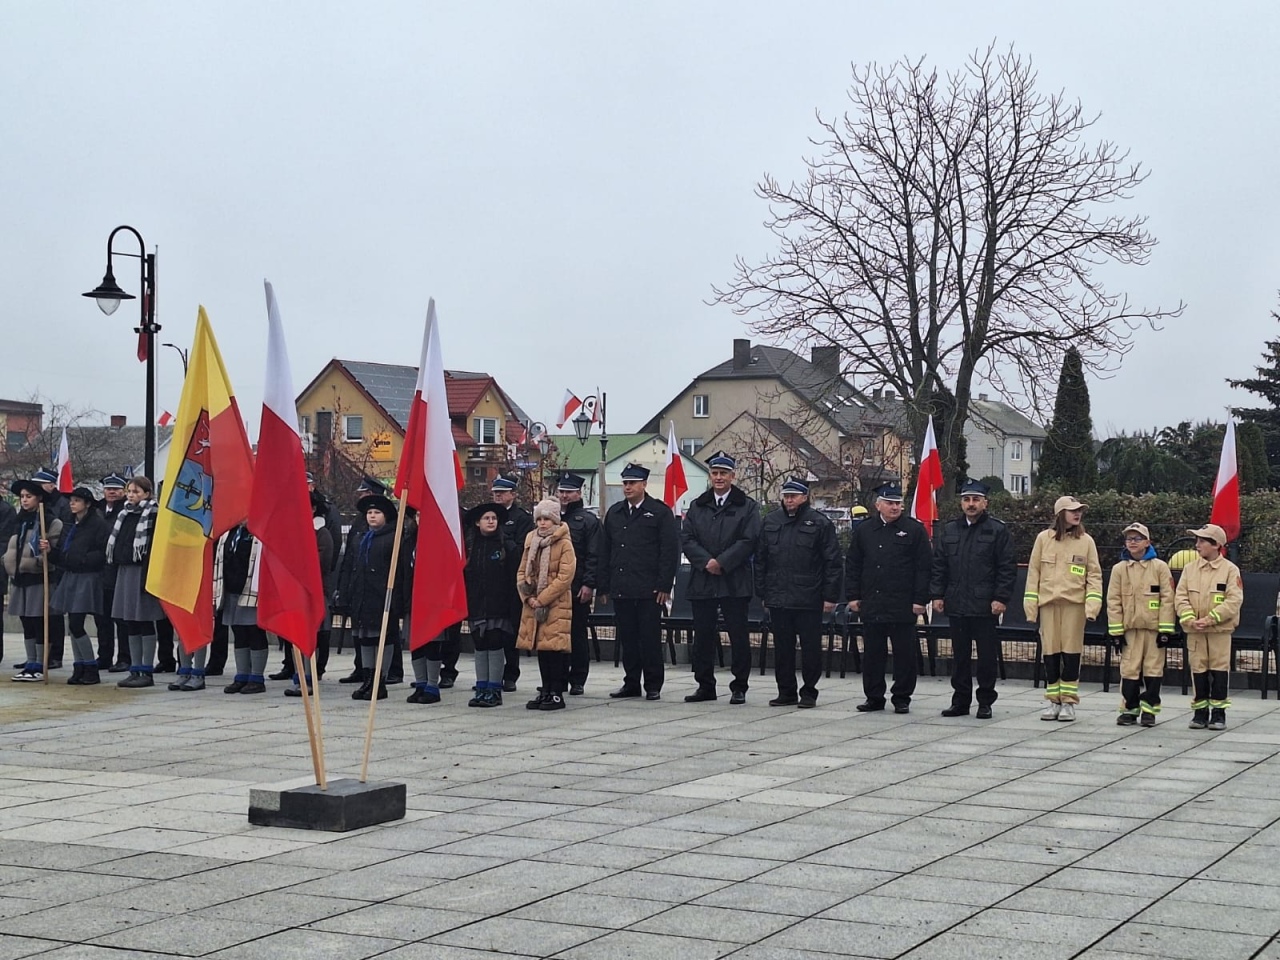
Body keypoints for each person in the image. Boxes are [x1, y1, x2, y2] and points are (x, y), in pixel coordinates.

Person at [931, 479, 1016, 719]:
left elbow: (1006, 568)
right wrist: (937, 594)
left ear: (985, 503)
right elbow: (939, 565)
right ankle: (960, 701)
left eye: (976, 500)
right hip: (957, 604)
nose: (971, 504)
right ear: (961, 503)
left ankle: (985, 701)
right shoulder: (950, 530)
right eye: (967, 500)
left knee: (987, 657)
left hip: (985, 605)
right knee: (959, 657)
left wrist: (1001, 598)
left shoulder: (997, 530)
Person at [680, 452, 761, 704]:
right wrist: (706, 562)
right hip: (703, 578)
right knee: (702, 635)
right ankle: (705, 685)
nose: (718, 477)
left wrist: (722, 563)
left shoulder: (747, 506)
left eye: (723, 473)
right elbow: (687, 539)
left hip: (734, 580)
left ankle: (739, 686)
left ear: (732, 476)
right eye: (715, 473)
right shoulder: (697, 505)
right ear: (710, 475)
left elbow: (749, 540)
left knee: (738, 635)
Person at [755, 478, 842, 708]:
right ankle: (786, 691)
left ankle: (809, 692)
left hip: (809, 598)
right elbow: (761, 559)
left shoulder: (819, 523)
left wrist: (830, 596)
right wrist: (762, 591)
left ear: (805, 497)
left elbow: (832, 562)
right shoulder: (771, 521)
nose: (789, 500)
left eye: (794, 496)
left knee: (810, 648)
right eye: (786, 495)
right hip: (779, 596)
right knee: (782, 648)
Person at [846, 483, 931, 714]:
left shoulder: (914, 530)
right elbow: (853, 564)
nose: (895, 507)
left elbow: (924, 567)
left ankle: (902, 697)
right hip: (872, 602)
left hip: (902, 603)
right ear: (878, 505)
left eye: (898, 503)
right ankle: (873, 696)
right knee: (873, 653)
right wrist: (853, 595)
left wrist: (920, 600)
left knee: (904, 654)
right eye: (890, 503)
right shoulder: (865, 530)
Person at [599, 463, 679, 701]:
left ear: (644, 484)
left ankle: (653, 684)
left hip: (649, 589)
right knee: (628, 638)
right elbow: (605, 550)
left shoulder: (659, 512)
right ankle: (631, 682)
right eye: (625, 483)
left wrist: (665, 585)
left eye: (632, 483)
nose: (628, 487)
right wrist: (604, 586)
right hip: (623, 586)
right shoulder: (614, 513)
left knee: (649, 638)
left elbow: (669, 551)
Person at [1024, 495, 1103, 722]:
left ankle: (1069, 701)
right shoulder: (1043, 539)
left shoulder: (1086, 541)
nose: (1077, 514)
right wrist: (1031, 608)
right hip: (1048, 605)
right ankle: (1053, 700)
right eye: (1072, 510)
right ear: (1060, 514)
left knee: (1071, 653)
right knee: (1050, 653)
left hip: (1074, 606)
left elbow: (1094, 575)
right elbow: (1033, 574)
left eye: (1079, 510)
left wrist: (1092, 606)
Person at [1106, 522, 1176, 727]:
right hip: (1130, 630)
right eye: (1129, 539)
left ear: (1147, 542)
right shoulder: (1120, 569)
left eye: (1137, 539)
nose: (1132, 542)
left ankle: (1149, 711)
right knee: (1129, 670)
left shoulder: (1160, 568)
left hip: (1153, 631)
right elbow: (1113, 601)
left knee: (1153, 670)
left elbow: (1168, 599)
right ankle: (1129, 709)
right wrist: (1116, 631)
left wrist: (1165, 630)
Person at [1175, 523, 1244, 731]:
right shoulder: (1190, 569)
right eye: (1197, 540)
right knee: (1198, 669)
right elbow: (1180, 596)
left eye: (1202, 541)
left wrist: (1211, 618)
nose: (1197, 545)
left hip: (1219, 631)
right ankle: (1200, 712)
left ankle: (1218, 713)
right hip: (1195, 631)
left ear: (1216, 545)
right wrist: (1189, 618)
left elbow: (1234, 600)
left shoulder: (1230, 571)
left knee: (1219, 670)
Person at [42, 486, 111, 685]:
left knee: (76, 623)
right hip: (72, 576)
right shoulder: (72, 524)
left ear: (87, 504)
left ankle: (90, 667)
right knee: (72, 624)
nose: (72, 503)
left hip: (87, 577)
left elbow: (101, 552)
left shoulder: (98, 524)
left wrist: (82, 560)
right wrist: (50, 551)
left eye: (77, 500)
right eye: (71, 500)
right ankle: (79, 665)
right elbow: (64, 554)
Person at [338, 491, 402, 701]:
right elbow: (349, 565)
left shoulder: (393, 538)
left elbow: (400, 571)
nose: (372, 516)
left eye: (377, 512)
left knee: (382, 638)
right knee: (364, 638)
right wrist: (345, 591)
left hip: (382, 596)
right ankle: (368, 677)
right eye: (369, 513)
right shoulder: (360, 538)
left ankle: (380, 681)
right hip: (361, 595)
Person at [518, 499, 577, 711]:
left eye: (547, 519)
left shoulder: (564, 544)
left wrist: (542, 598)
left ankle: (556, 692)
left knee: (555, 648)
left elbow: (565, 576)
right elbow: (523, 570)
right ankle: (545, 689)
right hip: (534, 603)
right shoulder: (531, 541)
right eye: (539, 519)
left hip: (556, 603)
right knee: (542, 649)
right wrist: (527, 595)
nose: (542, 523)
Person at [106, 476, 164, 688]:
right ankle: (135, 667)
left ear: (147, 494)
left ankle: (146, 671)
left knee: (145, 620)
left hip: (142, 571)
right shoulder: (124, 514)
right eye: (129, 491)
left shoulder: (153, 514)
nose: (131, 495)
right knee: (130, 621)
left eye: (136, 492)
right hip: (125, 571)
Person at [4, 480, 63, 681]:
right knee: (26, 620)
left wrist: (46, 552)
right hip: (21, 578)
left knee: (39, 620)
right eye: (22, 497)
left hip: (40, 578)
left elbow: (54, 551)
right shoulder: (20, 521)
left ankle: (40, 662)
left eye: (28, 496)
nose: (24, 500)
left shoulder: (50, 521)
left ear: (39, 498)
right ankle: (30, 661)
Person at [287, 490, 336, 697]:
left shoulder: (321, 533)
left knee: (312, 636)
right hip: (295, 590)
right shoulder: (294, 531)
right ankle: (298, 674)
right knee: (296, 635)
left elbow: (321, 563)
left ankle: (310, 676)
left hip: (314, 591)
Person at [556, 474, 600, 696]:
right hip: (555, 589)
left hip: (577, 587)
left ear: (578, 493)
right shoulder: (552, 518)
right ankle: (558, 678)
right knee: (557, 634)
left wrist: (589, 584)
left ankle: (578, 678)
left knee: (577, 634)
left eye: (569, 492)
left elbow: (594, 555)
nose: (564, 496)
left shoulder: (588, 521)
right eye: (561, 491)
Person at [492, 475, 534, 692]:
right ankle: (492, 675)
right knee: (492, 632)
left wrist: (502, 537)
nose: (498, 496)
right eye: (495, 492)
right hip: (492, 583)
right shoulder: (489, 515)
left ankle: (510, 674)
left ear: (513, 494)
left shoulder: (521, 518)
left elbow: (521, 550)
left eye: (502, 492)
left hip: (511, 583)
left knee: (510, 631)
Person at [28, 468, 68, 668]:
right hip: (38, 566)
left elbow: (63, 534)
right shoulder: (36, 506)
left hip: (56, 567)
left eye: (39, 485)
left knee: (54, 614)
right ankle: (38, 656)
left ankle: (56, 655)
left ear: (51, 485)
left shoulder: (61, 506)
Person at [97, 475, 129, 672]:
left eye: (116, 489)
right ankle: (104, 656)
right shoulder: (97, 510)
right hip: (100, 571)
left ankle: (125, 657)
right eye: (108, 488)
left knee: (122, 619)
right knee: (102, 619)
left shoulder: (126, 511)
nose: (112, 492)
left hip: (118, 571)